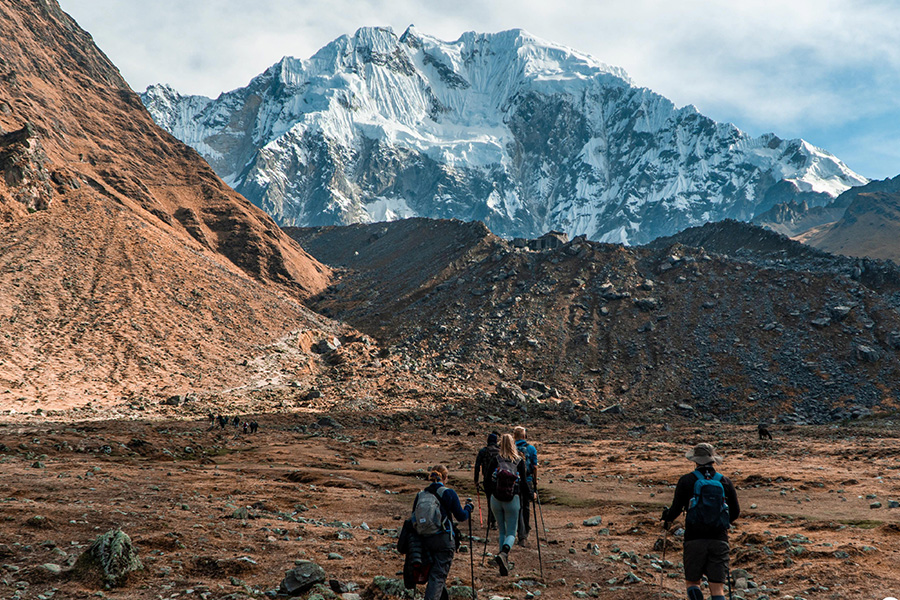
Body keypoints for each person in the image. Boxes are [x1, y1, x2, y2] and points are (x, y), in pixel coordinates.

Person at [661, 443, 740, 600]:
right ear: (712, 460)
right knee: (718, 588)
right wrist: (722, 523)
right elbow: (735, 512)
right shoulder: (725, 482)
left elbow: (675, 509)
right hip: (719, 539)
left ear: (695, 460)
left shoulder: (686, 481)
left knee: (692, 583)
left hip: (694, 539)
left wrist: (667, 518)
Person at [410, 465, 474, 600]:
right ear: (444, 478)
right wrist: (468, 508)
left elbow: (413, 517)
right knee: (438, 576)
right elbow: (461, 516)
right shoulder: (448, 493)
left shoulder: (421, 495)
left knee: (436, 575)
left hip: (424, 540)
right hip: (444, 539)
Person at [489, 434, 531, 576]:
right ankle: (504, 553)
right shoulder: (519, 461)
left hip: (496, 499)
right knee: (511, 532)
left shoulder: (496, 459)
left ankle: (503, 561)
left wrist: (491, 493)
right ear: (513, 444)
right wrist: (532, 495)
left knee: (502, 531)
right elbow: (524, 484)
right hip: (513, 499)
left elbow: (487, 480)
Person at [513, 426, 537, 546]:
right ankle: (525, 532)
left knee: (518, 507)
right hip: (527, 480)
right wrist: (535, 483)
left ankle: (520, 532)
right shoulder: (531, 449)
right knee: (526, 506)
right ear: (524, 436)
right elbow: (535, 467)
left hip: (514, 481)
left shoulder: (511, 449)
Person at [474, 432, 500, 529]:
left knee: (490, 500)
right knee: (497, 500)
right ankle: (495, 521)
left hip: (487, 480)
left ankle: (491, 521)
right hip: (499, 479)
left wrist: (476, 480)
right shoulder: (500, 451)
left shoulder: (483, 451)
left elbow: (477, 466)